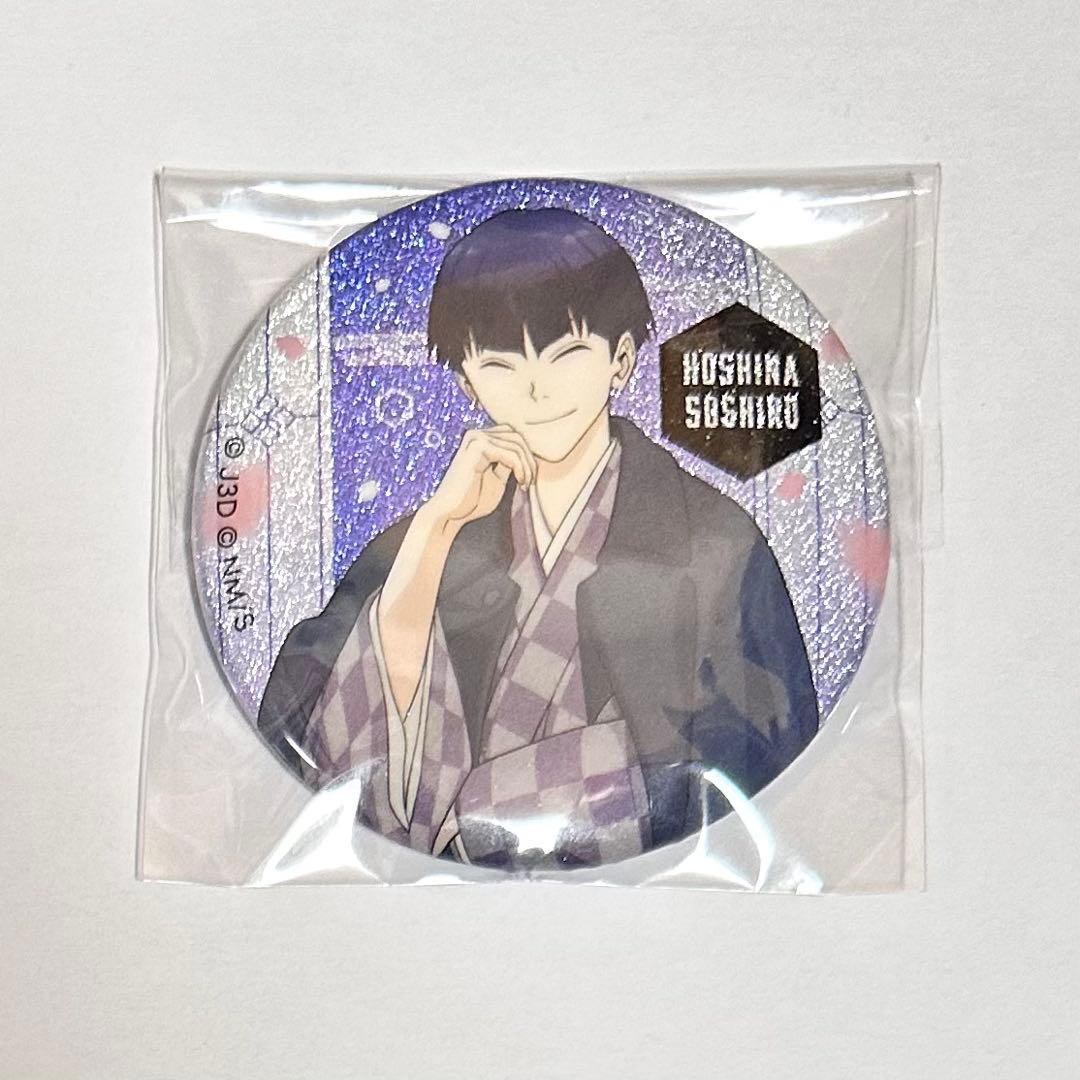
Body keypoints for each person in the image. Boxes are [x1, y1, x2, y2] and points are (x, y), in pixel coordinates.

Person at [258, 207, 818, 869]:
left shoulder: (715, 541)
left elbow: (766, 753)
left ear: (620, 360)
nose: (535, 388)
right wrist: (436, 530)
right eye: (499, 363)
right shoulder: (425, 537)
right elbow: (304, 733)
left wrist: (535, 788)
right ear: (467, 381)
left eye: (567, 355)